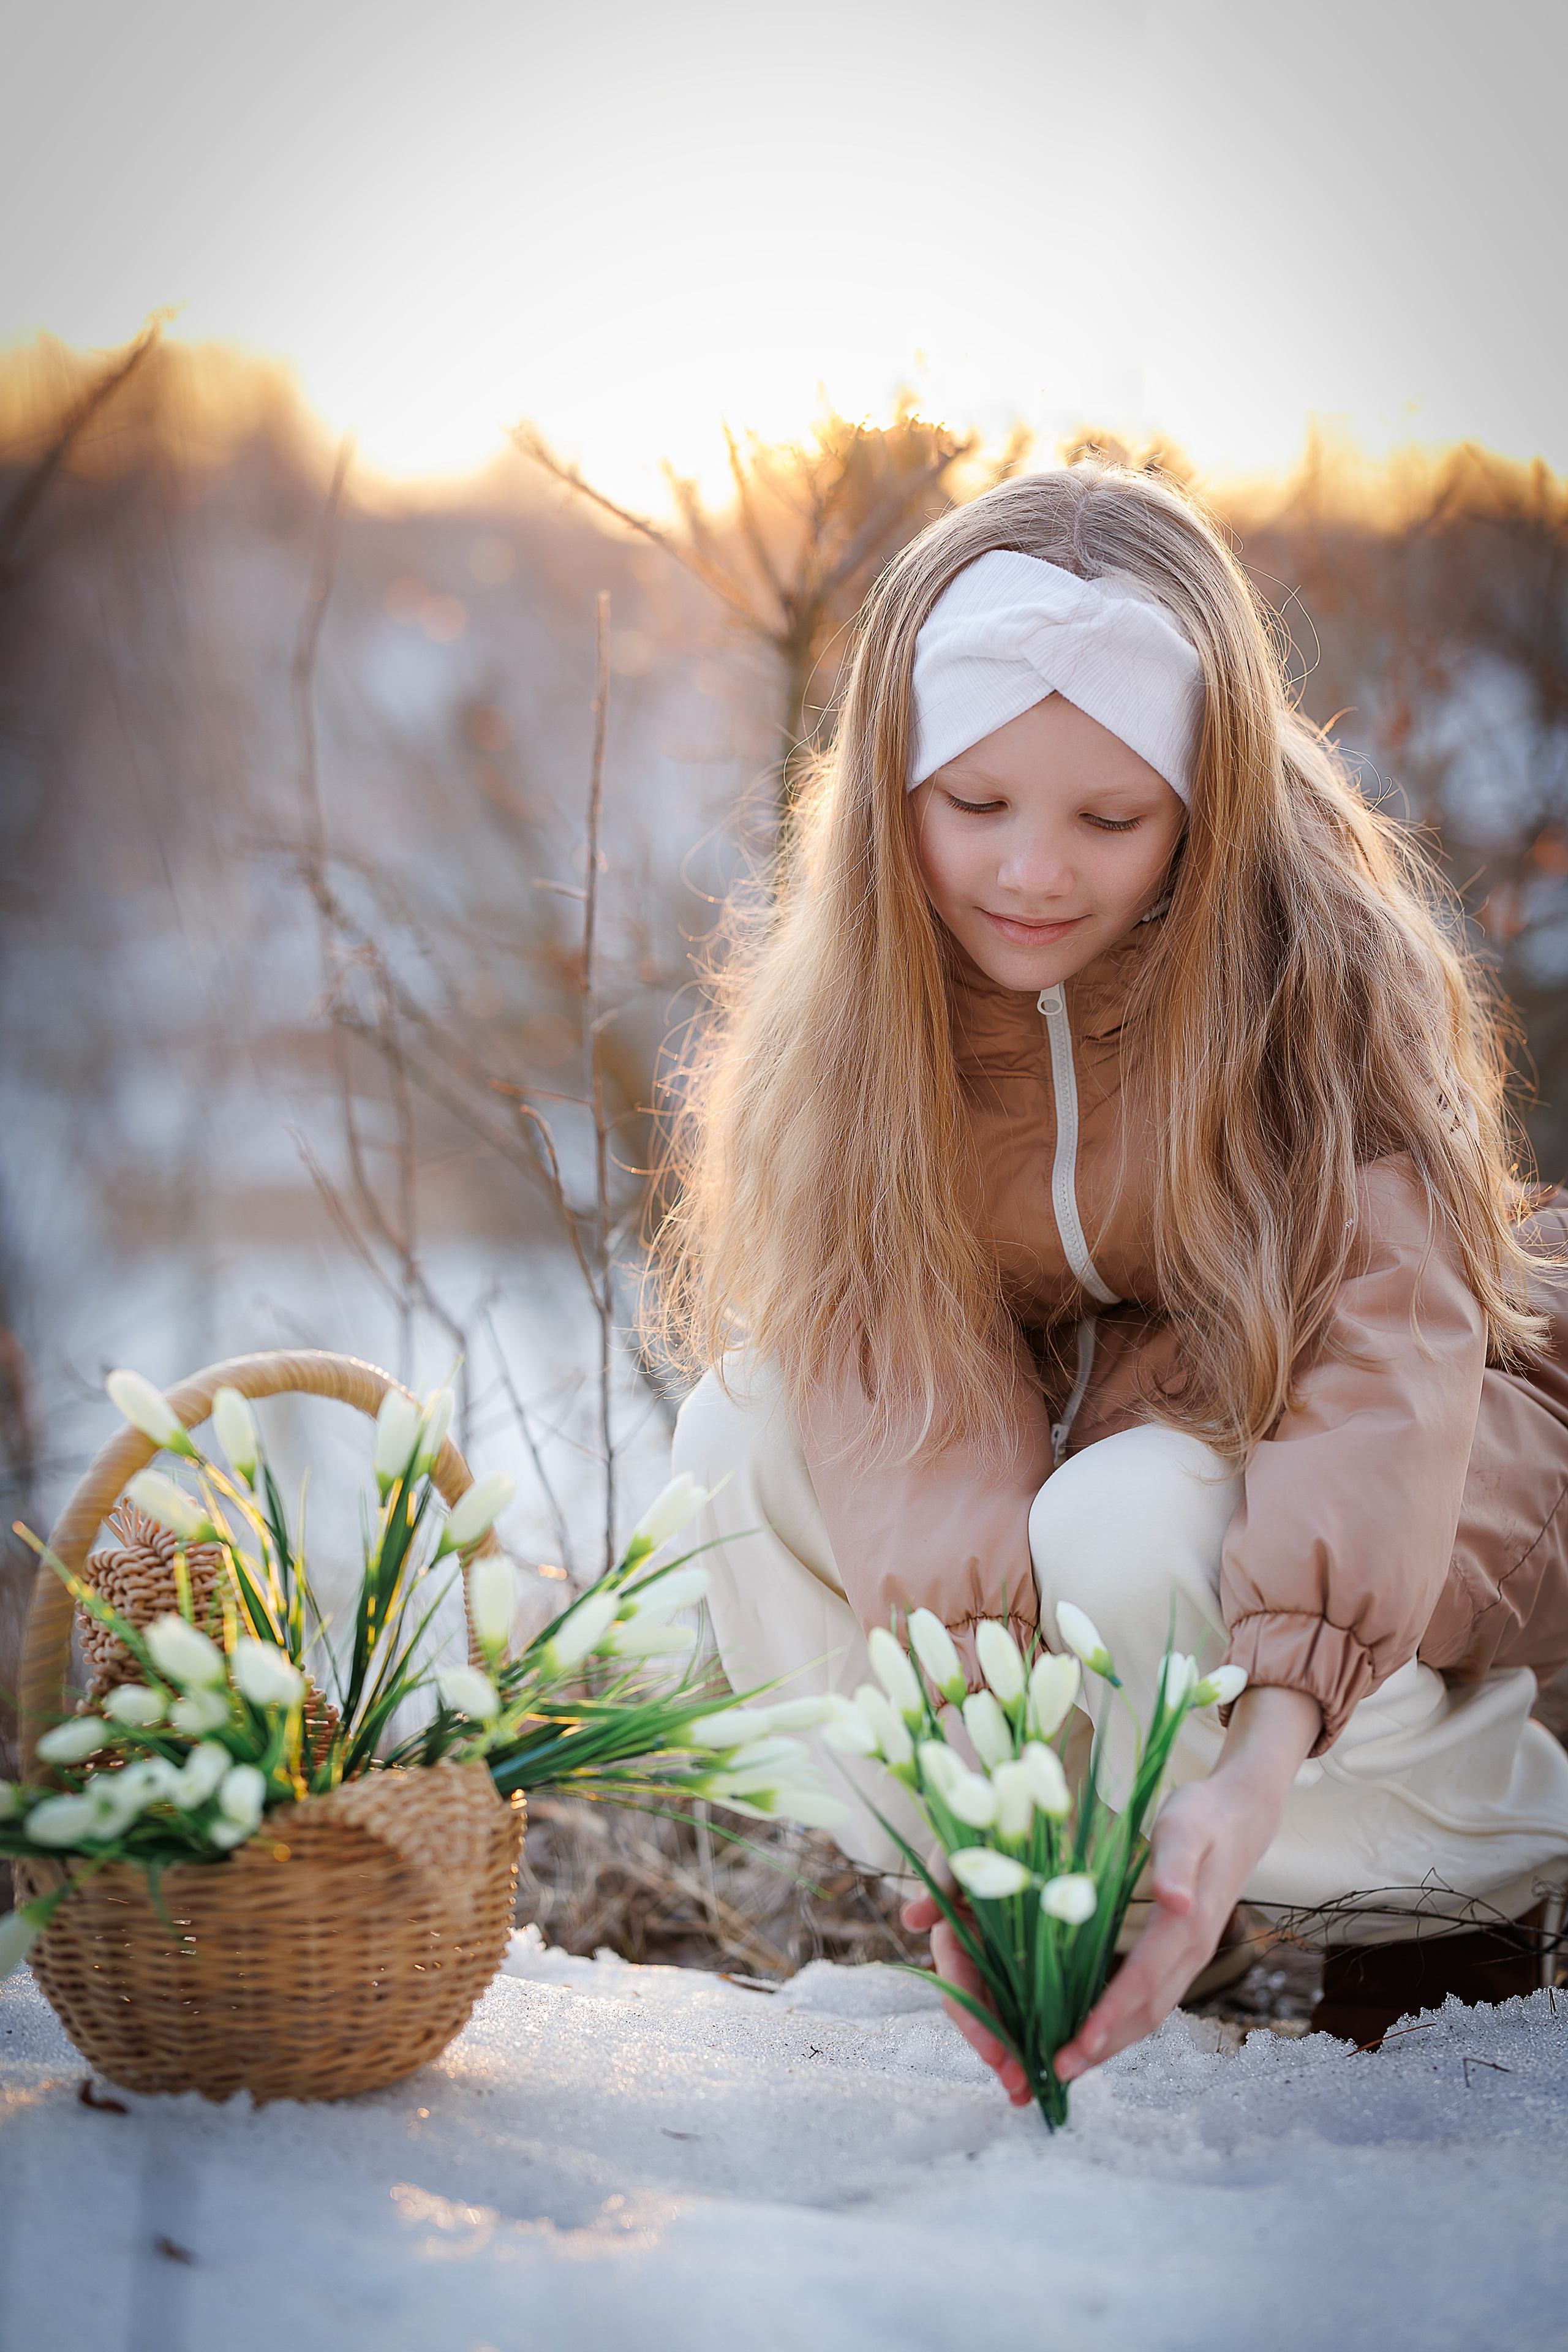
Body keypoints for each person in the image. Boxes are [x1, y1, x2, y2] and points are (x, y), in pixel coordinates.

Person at [663, 458, 1568, 2078]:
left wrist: (1255, 1766)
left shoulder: (1319, 953)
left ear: (1202, 805)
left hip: (1381, 1447)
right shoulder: (866, 1009)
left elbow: (1388, 1362)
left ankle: (1441, 1872)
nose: (1032, 873)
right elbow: (900, 1395)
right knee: (743, 1436)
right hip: (1078, 1444)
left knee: (1129, 1519)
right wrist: (969, 1789)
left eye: (1110, 818)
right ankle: (1047, 1900)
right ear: (895, 786)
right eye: (976, 805)